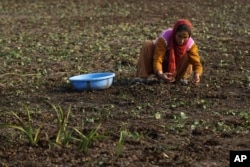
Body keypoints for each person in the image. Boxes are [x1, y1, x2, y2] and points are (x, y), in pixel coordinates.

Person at [134, 19, 203, 85]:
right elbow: (158, 58)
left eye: (185, 38)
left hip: (176, 68)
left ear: (189, 36)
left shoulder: (191, 45)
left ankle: (180, 78)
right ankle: (142, 77)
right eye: (179, 36)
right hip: (160, 66)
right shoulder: (165, 38)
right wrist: (160, 74)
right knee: (147, 44)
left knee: (188, 55)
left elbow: (197, 63)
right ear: (175, 33)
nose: (181, 41)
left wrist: (197, 75)